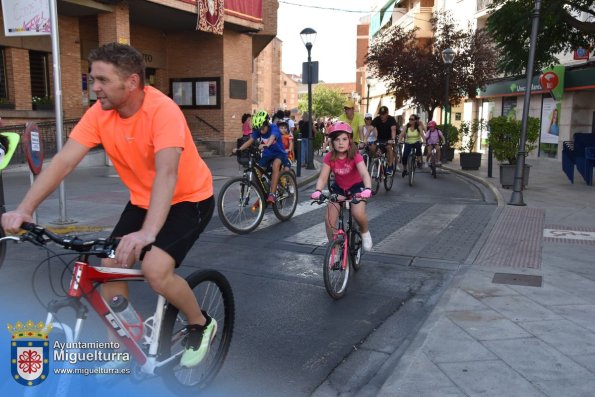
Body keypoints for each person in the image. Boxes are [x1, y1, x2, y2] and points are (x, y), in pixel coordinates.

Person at [1, 43, 216, 368]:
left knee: (156, 271)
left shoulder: (163, 111)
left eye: (102, 79)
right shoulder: (99, 114)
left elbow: (167, 173)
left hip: (189, 199)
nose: (94, 87)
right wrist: (25, 208)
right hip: (143, 200)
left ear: (131, 82)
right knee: (108, 268)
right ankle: (123, 345)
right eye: (92, 78)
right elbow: (64, 162)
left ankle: (200, 322)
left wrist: (147, 233)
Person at [310, 121, 373, 251]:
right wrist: (318, 190)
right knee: (329, 220)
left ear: (350, 140)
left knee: (357, 213)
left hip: (357, 187)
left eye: (344, 139)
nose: (341, 143)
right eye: (337, 140)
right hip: (339, 189)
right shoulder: (329, 157)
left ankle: (365, 231)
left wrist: (367, 188)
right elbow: (323, 177)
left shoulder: (355, 155)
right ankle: (335, 250)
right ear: (332, 142)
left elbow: (364, 173)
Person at [233, 109, 290, 204]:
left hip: (279, 153)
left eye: (262, 128)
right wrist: (239, 149)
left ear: (267, 123)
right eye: (259, 129)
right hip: (267, 154)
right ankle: (264, 193)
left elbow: (272, 137)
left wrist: (267, 144)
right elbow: (250, 140)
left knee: (276, 165)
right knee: (257, 173)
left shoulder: (274, 128)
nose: (261, 131)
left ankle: (272, 194)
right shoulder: (259, 129)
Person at [371, 106, 398, 175]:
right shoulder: (376, 119)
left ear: (387, 113)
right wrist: (364, 139)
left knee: (389, 148)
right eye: (381, 114)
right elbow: (369, 129)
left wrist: (392, 139)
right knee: (375, 150)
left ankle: (390, 166)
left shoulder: (391, 119)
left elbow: (393, 130)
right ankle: (379, 165)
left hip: (389, 139)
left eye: (384, 114)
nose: (382, 116)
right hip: (380, 139)